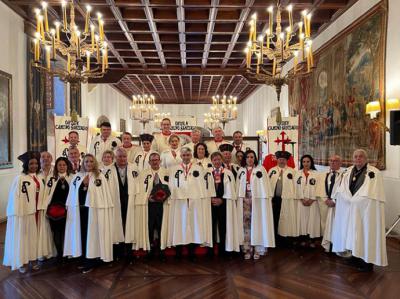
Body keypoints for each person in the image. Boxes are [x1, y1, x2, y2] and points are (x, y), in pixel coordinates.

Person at [331, 149, 387, 271]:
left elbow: (374, 194)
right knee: (351, 234)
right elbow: (342, 189)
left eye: (360, 156)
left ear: (365, 159)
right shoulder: (348, 171)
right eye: (355, 156)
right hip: (350, 210)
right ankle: (354, 257)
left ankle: (367, 262)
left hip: (365, 211)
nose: (358, 159)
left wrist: (358, 201)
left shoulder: (374, 172)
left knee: (365, 234)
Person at [3, 152, 54, 272]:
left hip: (37, 212)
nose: (34, 166)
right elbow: (15, 198)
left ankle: (33, 259)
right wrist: (18, 213)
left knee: (34, 237)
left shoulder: (39, 177)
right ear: (26, 165)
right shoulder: (20, 178)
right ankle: (22, 262)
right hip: (25, 213)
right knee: (24, 237)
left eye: (36, 163)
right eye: (31, 163)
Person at [64, 154, 114, 274]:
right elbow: (73, 194)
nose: (89, 164)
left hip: (94, 212)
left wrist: (88, 185)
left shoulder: (99, 176)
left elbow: (102, 196)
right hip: (80, 211)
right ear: (83, 163)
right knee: (81, 235)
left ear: (95, 163)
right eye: (86, 161)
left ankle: (91, 260)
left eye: (91, 161)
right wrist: (83, 185)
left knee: (91, 236)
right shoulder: (78, 176)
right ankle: (83, 259)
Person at [167, 147, 212, 261]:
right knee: (179, 224)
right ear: (181, 156)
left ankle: (192, 251)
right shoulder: (174, 169)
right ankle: (179, 251)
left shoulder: (198, 168)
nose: (186, 157)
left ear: (191, 156)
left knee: (193, 224)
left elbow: (201, 185)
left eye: (188, 155)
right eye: (184, 155)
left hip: (194, 200)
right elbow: (172, 185)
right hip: (179, 201)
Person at [237, 150, 275, 260]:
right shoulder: (241, 170)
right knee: (246, 225)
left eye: (252, 157)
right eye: (248, 157)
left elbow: (265, 187)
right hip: (244, 200)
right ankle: (247, 248)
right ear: (245, 158)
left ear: (255, 158)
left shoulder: (261, 170)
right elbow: (237, 187)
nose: (250, 159)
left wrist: (267, 200)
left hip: (257, 201)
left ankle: (258, 249)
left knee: (258, 223)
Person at [134, 153, 170, 261]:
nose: (155, 162)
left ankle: (161, 250)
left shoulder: (166, 172)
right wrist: (146, 198)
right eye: (152, 160)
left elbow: (169, 188)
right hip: (149, 205)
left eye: (157, 160)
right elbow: (140, 189)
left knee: (161, 227)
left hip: (162, 205)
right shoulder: (144, 174)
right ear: (149, 162)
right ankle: (150, 250)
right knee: (149, 227)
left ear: (160, 161)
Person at [105, 148, 137, 262]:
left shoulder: (134, 168)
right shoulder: (108, 170)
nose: (122, 159)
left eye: (124, 156)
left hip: (130, 201)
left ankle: (129, 252)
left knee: (129, 225)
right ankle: (117, 252)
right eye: (119, 156)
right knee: (116, 225)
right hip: (115, 202)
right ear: (115, 157)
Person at [41, 157, 74, 262]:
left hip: (68, 210)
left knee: (67, 232)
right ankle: (59, 253)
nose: (62, 167)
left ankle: (67, 252)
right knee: (56, 232)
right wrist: (46, 208)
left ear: (67, 166)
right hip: (54, 211)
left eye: (64, 165)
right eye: (59, 165)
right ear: (56, 167)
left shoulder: (72, 177)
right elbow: (47, 194)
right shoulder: (52, 178)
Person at [208, 152, 240, 257]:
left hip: (223, 204)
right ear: (211, 161)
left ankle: (223, 250)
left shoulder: (227, 173)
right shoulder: (207, 173)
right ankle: (211, 250)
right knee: (211, 226)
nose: (217, 162)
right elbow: (204, 188)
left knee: (223, 227)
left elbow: (231, 190)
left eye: (218, 159)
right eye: (214, 160)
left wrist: (222, 200)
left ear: (221, 160)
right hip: (210, 204)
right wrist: (210, 198)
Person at [268, 151, 298, 247]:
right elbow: (268, 185)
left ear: (287, 160)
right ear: (277, 159)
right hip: (274, 199)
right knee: (275, 218)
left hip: (287, 200)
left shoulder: (292, 171)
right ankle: (275, 238)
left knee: (286, 218)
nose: (281, 161)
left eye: (284, 159)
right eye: (280, 159)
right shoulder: (271, 170)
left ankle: (285, 238)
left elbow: (295, 187)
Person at [317, 155, 343, 252]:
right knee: (325, 223)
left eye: (335, 161)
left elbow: (343, 190)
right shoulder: (323, 174)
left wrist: (334, 201)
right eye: (331, 161)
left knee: (336, 225)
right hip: (325, 203)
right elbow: (320, 188)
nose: (332, 162)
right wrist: (325, 200)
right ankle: (327, 245)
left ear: (340, 163)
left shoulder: (344, 175)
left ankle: (336, 245)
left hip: (337, 204)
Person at [295, 154, 320, 248]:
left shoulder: (316, 174)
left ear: (311, 162)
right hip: (301, 201)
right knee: (302, 220)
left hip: (312, 201)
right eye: (304, 162)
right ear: (301, 163)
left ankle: (312, 239)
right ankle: (303, 238)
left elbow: (318, 188)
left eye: (308, 162)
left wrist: (312, 199)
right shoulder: (297, 173)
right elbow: (295, 187)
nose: (306, 164)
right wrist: (301, 198)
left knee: (312, 220)